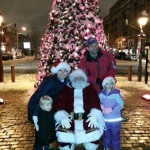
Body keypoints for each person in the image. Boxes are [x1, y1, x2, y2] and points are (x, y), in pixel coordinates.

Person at [53, 69, 105, 150]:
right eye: (76, 78)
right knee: (65, 143)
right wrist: (62, 117)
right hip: (69, 121)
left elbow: (96, 103)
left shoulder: (90, 89)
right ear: (72, 79)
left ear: (84, 79)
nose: (79, 80)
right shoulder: (66, 90)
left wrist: (94, 115)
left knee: (92, 143)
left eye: (81, 78)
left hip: (87, 120)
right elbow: (58, 104)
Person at [99, 76, 124, 150]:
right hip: (106, 119)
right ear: (104, 85)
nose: (109, 85)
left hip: (115, 119)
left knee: (115, 135)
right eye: (107, 84)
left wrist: (112, 109)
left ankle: (116, 148)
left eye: (111, 83)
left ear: (113, 84)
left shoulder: (116, 94)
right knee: (106, 134)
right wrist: (102, 107)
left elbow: (121, 104)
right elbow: (100, 102)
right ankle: (106, 147)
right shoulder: (101, 94)